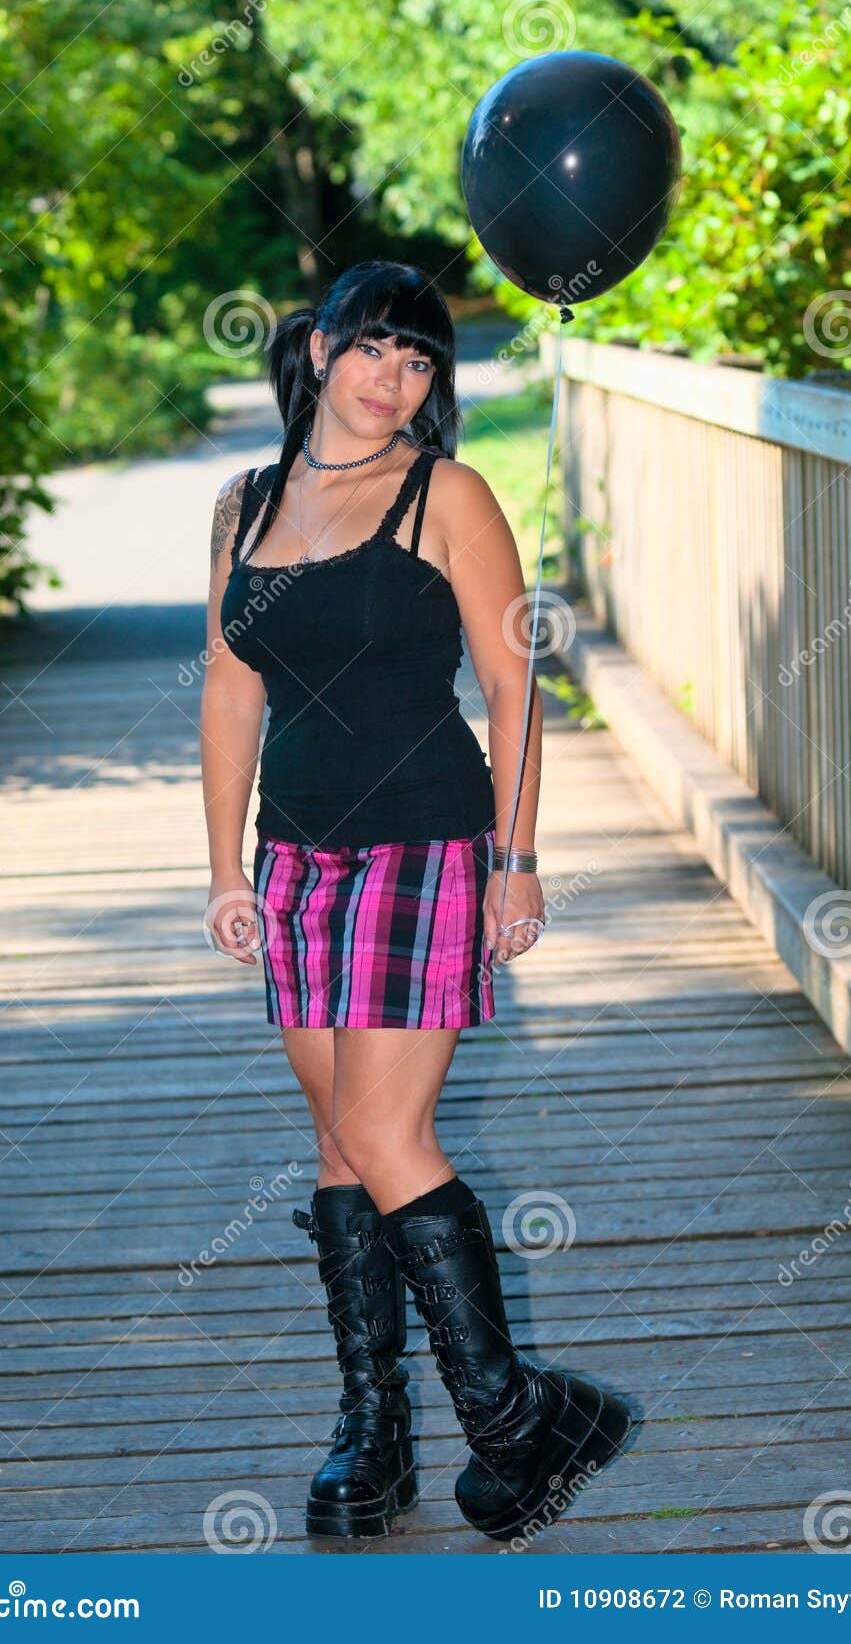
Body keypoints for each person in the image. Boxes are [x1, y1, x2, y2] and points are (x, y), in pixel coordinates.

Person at [200, 260, 632, 1544]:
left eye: (421, 361)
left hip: (426, 845)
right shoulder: (246, 504)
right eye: (375, 350)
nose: (395, 380)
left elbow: (514, 688)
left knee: (388, 1136)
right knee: (339, 1144)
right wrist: (224, 864)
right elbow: (230, 691)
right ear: (321, 348)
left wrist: (516, 857)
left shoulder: (447, 494)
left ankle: (514, 1416)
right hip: (295, 859)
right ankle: (372, 1433)